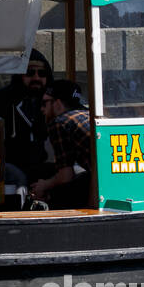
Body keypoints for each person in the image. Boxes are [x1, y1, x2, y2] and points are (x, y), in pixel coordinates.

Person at [0, 48, 54, 191]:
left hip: (41, 163)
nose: (36, 78)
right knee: (20, 180)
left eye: (42, 73)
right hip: (10, 163)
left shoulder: (52, 100)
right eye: (30, 73)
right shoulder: (3, 99)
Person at [31, 79, 93, 209]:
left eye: (45, 103)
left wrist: (44, 185)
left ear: (58, 103)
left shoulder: (60, 122)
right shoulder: (88, 115)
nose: (42, 109)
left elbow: (66, 176)